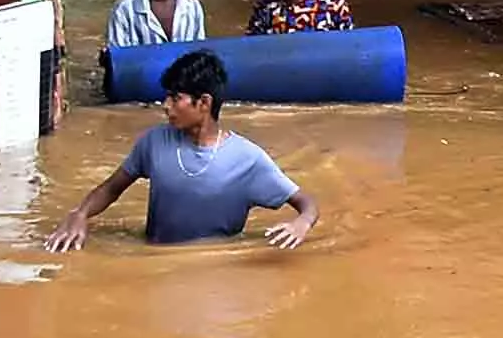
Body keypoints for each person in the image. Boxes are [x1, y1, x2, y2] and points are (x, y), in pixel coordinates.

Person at [46, 49, 317, 250]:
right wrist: (80, 214)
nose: (166, 105)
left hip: (216, 270)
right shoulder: (154, 142)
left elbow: (306, 204)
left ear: (204, 103)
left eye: (176, 98)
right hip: (153, 256)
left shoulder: (248, 160)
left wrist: (301, 224)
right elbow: (111, 188)